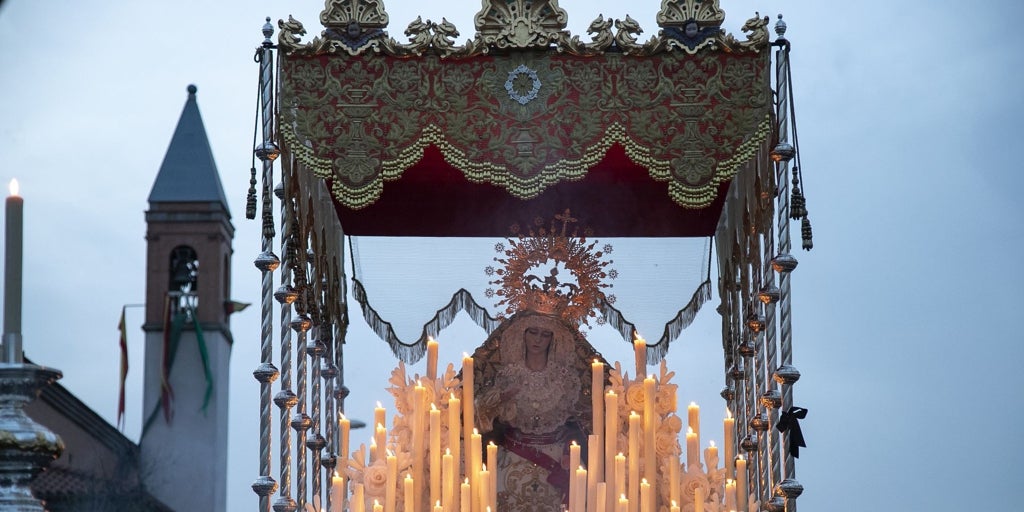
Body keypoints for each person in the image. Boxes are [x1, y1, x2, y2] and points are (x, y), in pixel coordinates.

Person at [472, 311, 608, 511]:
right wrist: (502, 399)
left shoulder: (565, 378)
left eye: (545, 335)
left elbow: (585, 414)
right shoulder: (509, 375)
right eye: (533, 332)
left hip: (558, 456)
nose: (537, 340)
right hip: (513, 456)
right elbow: (481, 413)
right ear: (523, 334)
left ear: (553, 339)